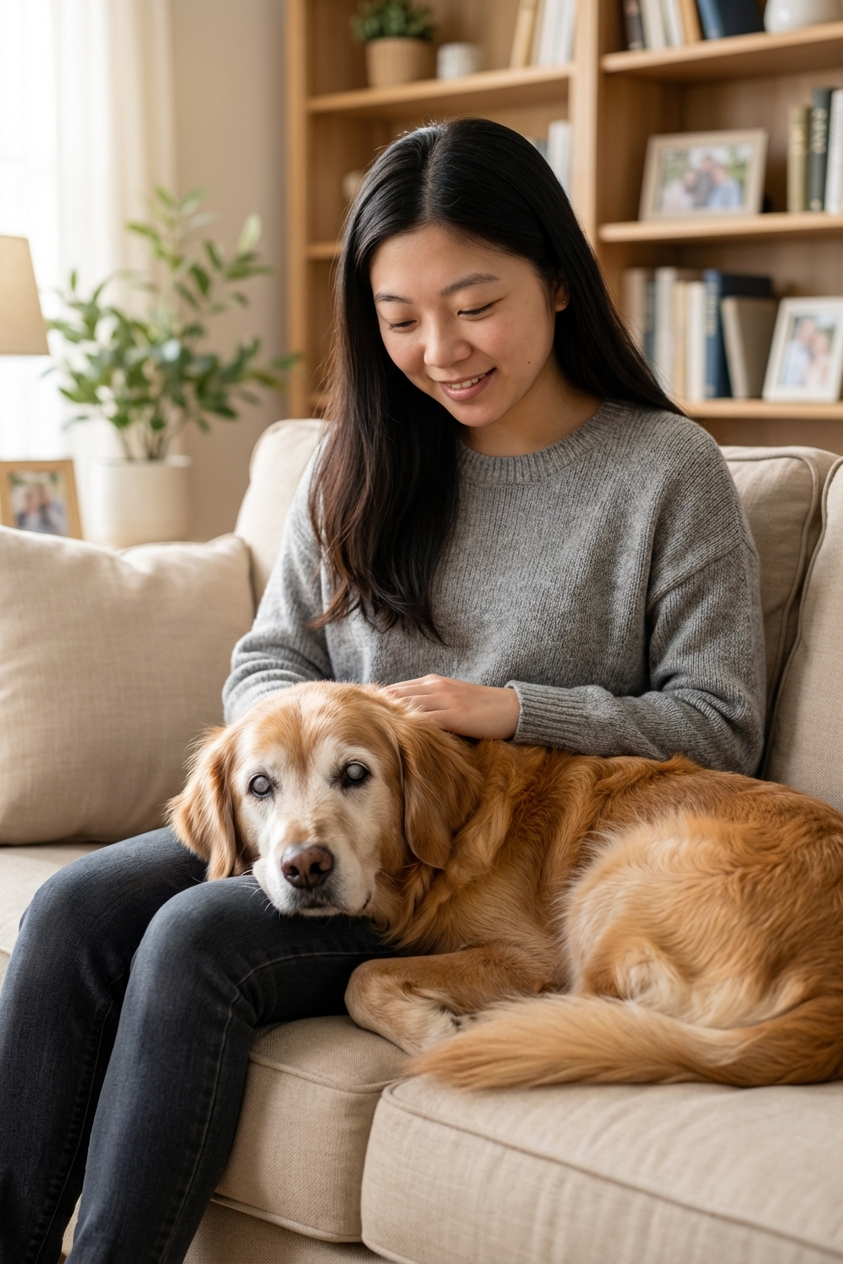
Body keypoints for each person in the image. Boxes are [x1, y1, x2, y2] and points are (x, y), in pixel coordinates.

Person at [0, 118, 766, 1264]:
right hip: (319, 800)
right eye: (398, 318)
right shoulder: (352, 456)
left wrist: (502, 708)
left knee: (200, 937)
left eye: (472, 304)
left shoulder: (663, 472)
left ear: (557, 282)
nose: (438, 348)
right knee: (69, 911)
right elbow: (265, 662)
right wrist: (325, 740)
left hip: (464, 849)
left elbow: (719, 725)